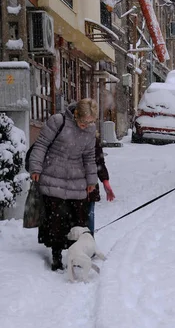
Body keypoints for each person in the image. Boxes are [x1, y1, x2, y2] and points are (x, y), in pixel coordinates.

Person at [29, 98, 98, 271]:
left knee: (78, 220)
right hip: (53, 175)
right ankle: (56, 254)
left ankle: (76, 255)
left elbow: (89, 156)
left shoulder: (91, 130)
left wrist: (92, 181)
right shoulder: (58, 121)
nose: (86, 126)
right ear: (76, 114)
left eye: (90, 122)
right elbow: (41, 145)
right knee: (56, 220)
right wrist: (36, 168)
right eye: (83, 122)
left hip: (77, 178)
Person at [88, 133, 115, 235]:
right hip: (71, 186)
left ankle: (89, 242)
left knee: (89, 216)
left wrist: (105, 181)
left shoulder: (93, 139)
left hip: (89, 186)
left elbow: (99, 162)